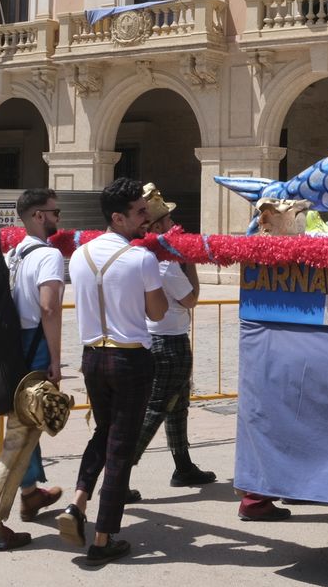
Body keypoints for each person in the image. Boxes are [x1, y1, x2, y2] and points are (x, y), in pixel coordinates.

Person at [54, 177, 167, 566]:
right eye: (139, 212)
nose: (146, 218)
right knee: (120, 446)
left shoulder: (80, 255)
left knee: (105, 433)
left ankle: (77, 502)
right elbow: (158, 312)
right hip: (130, 358)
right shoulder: (141, 258)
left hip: (92, 358)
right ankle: (103, 536)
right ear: (117, 217)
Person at [0, 188, 67, 541]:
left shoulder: (14, 253)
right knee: (20, 434)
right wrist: (55, 359)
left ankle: (31, 492)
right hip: (34, 344)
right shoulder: (48, 256)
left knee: (24, 426)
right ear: (38, 216)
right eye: (55, 212)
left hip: (13, 346)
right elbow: (49, 309)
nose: (58, 217)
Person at [131, 184, 217, 491]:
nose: (174, 225)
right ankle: (122, 472)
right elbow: (191, 298)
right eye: (168, 220)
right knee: (157, 408)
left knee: (178, 404)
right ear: (156, 227)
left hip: (164, 337)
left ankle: (183, 465)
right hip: (169, 341)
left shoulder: (148, 256)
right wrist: (189, 260)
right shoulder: (165, 263)